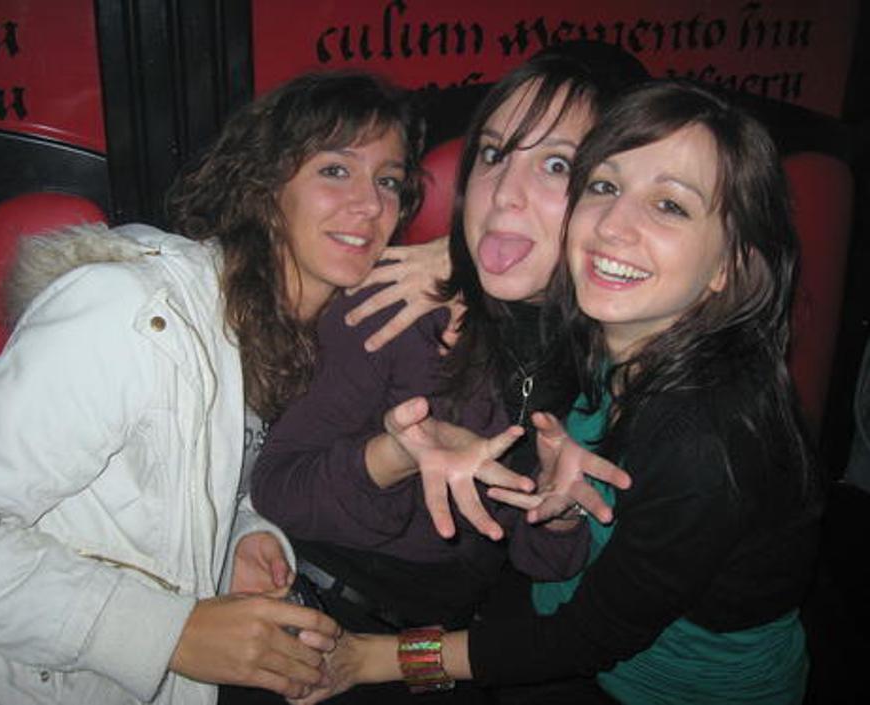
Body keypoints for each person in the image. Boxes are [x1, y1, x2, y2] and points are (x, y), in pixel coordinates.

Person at [302, 80, 824, 704]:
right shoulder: (600, 330)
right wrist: (457, 255)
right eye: (602, 187)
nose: (613, 226)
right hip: (539, 609)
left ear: (728, 267)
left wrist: (376, 660)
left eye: (670, 206)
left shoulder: (709, 439)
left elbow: (583, 640)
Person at [0, 70, 425, 705]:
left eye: (388, 181)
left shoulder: (293, 337)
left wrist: (243, 536)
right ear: (265, 185)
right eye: (335, 170)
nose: (371, 205)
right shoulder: (132, 315)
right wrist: (168, 633)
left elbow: (198, 473)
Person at [228, 44, 646, 705]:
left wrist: (559, 514)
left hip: (431, 646)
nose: (504, 192)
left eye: (556, 164)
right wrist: (393, 455)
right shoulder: (403, 312)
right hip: (311, 622)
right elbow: (277, 488)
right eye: (494, 154)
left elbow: (537, 561)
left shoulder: (601, 351)